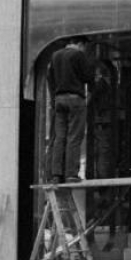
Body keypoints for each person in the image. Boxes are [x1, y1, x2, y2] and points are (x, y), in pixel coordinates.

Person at [48, 36, 93, 184]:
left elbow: (50, 78)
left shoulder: (55, 55)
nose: (85, 50)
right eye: (85, 47)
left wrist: (54, 99)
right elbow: (88, 76)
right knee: (74, 136)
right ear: (80, 44)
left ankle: (56, 174)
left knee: (59, 137)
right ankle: (71, 174)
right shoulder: (78, 55)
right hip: (75, 99)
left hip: (59, 99)